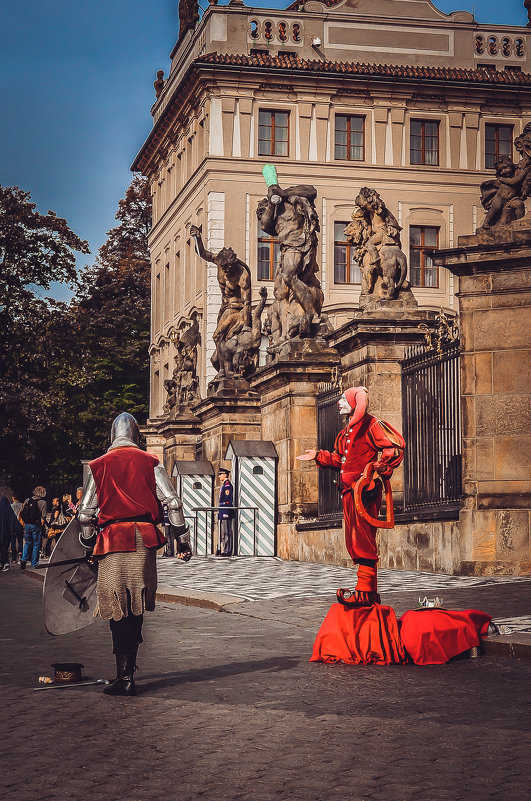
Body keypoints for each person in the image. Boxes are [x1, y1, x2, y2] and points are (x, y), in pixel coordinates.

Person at [78, 412, 191, 696]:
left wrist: (88, 545)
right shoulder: (151, 462)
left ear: (111, 434)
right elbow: (173, 503)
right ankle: (128, 676)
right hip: (143, 538)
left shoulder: (98, 465)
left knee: (116, 607)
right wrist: (183, 541)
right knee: (136, 603)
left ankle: (123, 677)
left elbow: (84, 514)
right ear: (137, 435)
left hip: (113, 540)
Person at [297, 386, 404, 606]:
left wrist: (379, 467)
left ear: (355, 403)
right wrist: (318, 455)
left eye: (344, 400)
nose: (339, 403)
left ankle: (365, 590)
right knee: (353, 538)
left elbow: (395, 447)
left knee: (362, 537)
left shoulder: (372, 425)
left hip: (364, 490)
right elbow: (339, 460)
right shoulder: (345, 432)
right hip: (348, 491)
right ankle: (368, 592)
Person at [20, 486, 47, 570]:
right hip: (36, 525)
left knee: (28, 542)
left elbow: (22, 512)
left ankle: (23, 559)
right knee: (36, 544)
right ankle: (34, 563)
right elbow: (43, 517)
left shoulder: (28, 500)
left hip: (27, 525)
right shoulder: (43, 502)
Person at [217, 468, 234, 557]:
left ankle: (228, 550)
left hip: (225, 510)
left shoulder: (227, 485)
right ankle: (225, 548)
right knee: (224, 532)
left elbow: (227, 500)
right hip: (222, 510)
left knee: (227, 531)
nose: (219, 476)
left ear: (225, 475)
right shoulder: (224, 485)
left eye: (221, 474)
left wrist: (226, 511)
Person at [0, 497, 18, 571]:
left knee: (2, 549)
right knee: (4, 548)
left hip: (1, 533)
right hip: (8, 534)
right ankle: (4, 563)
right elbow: (14, 521)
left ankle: (5, 563)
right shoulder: (9, 511)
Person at [10, 493, 24, 564]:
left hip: (13, 525)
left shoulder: (11, 506)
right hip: (20, 524)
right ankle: (20, 553)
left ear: (13, 498)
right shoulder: (22, 505)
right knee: (20, 540)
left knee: (13, 541)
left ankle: (14, 558)